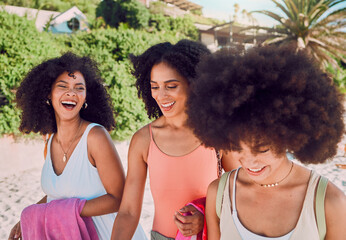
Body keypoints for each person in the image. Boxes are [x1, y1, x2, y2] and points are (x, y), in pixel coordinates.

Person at [186, 45, 346, 240]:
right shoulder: (218, 193)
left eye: (262, 150)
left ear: (290, 136)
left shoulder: (329, 202)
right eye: (237, 147)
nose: (249, 162)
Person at [9, 52, 147, 240]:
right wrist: (29, 217)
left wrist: (62, 211)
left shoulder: (95, 137)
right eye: (62, 86)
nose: (71, 93)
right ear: (48, 94)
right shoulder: (49, 142)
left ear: (85, 97)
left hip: (111, 234)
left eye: (79, 88)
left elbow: (119, 198)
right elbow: (57, 197)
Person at [111, 39, 239, 240]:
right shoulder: (143, 140)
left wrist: (205, 216)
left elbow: (241, 190)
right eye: (154, 86)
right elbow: (128, 212)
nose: (161, 96)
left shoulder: (218, 133)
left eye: (171, 86)